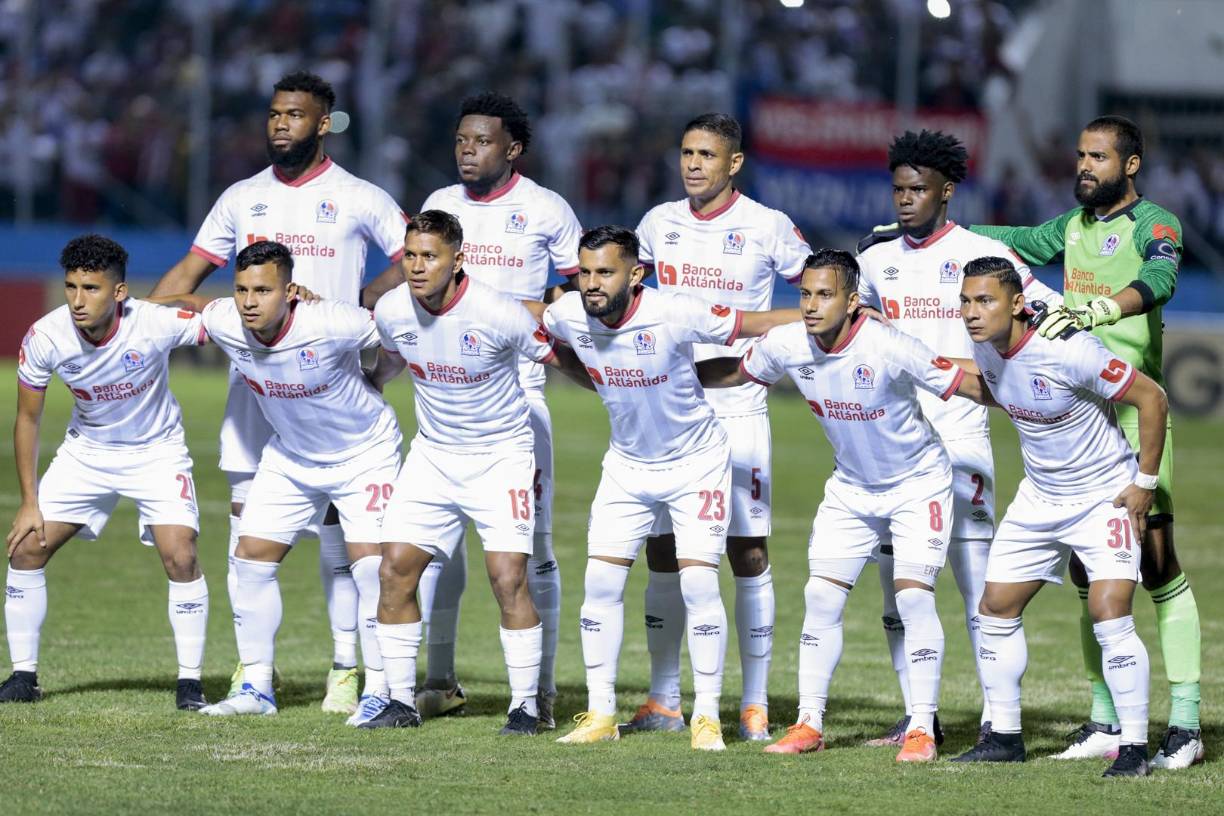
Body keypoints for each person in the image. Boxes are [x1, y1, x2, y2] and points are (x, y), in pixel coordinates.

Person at [150, 70, 409, 714]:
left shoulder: (358, 196)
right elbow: (189, 274)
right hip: (257, 396)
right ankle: (253, 676)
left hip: (333, 381)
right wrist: (143, 329)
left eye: (295, 115)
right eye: (273, 114)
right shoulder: (241, 197)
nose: (280, 124)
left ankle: (349, 668)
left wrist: (365, 300)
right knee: (250, 545)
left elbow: (414, 257)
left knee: (343, 544)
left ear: (323, 123)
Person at [969, 116, 1201, 769]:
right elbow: (1013, 238)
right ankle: (1104, 717)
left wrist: (1107, 308)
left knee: (1157, 565)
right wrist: (935, 234)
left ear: (1130, 165)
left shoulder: (1155, 222)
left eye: (1098, 156)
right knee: (1085, 572)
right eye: (1080, 155)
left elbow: (1163, 277)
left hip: (1134, 413)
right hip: (1078, 415)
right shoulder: (1070, 228)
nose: (1084, 166)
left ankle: (1185, 723)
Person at [698, 249, 977, 762]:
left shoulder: (888, 345)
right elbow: (737, 372)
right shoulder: (786, 344)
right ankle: (809, 723)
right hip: (851, 489)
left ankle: (921, 728)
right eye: (804, 293)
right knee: (820, 597)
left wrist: (1042, 401)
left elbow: (965, 383)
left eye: (824, 294)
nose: (809, 304)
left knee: (912, 598)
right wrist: (670, 373)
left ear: (852, 301)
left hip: (918, 484)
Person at [545, 226, 798, 751]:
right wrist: (580, 369)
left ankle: (705, 717)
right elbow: (539, 317)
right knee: (599, 584)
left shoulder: (676, 311)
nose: (591, 284)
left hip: (697, 464)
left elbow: (757, 322)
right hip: (627, 466)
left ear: (636, 275)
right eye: (585, 272)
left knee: (699, 585)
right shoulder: (570, 313)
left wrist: (833, 316)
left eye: (605, 272)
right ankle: (600, 714)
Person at [856, 129, 1062, 746]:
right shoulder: (875, 259)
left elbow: (1043, 310)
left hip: (961, 439)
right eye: (897, 189)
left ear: (946, 190)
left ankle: (1001, 723)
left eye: (917, 189)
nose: (905, 199)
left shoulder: (982, 252)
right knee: (899, 591)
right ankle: (921, 716)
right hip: (891, 447)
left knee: (978, 589)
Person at [359, 211, 591, 735]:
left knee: (508, 578)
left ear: (458, 259)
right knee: (394, 569)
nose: (417, 267)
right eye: (410, 256)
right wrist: (368, 382)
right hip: (434, 455)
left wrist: (617, 386)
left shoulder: (498, 312)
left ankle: (527, 706)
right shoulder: (393, 308)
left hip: (500, 457)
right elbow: (392, 362)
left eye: (430, 257)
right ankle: (399, 702)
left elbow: (558, 358)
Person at [161, 241, 401, 722]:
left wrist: (376, 378)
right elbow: (176, 307)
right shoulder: (227, 320)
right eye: (243, 289)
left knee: (372, 568)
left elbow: (397, 337)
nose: (250, 301)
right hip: (291, 456)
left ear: (290, 291)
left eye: (264, 290)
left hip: (364, 454)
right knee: (249, 560)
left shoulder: (331, 321)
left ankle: (379, 691)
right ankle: (257, 687)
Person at [948, 256, 1167, 778]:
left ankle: (1133, 748)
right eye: (965, 301)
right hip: (1040, 497)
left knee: (1109, 609)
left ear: (1017, 303)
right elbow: (1007, 390)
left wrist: (1144, 483)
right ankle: (1004, 737)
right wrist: (931, 373)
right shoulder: (984, 344)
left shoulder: (1069, 349)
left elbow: (1152, 397)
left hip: (1102, 496)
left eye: (985, 301)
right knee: (995, 606)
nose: (972, 313)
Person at [629, 113, 811, 740]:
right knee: (663, 549)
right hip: (669, 408)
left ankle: (754, 703)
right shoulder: (657, 223)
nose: (694, 164)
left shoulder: (766, 227)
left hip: (737, 409)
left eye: (707, 154)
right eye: (686, 153)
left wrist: (763, 354)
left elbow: (821, 294)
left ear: (734, 163)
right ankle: (662, 699)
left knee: (747, 550)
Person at [412, 93, 584, 727]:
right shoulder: (440, 206)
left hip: (519, 395)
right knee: (438, 546)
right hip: (446, 396)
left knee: (530, 549)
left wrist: (544, 313)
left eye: (481, 141)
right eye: (461, 139)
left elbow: (580, 290)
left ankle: (538, 688)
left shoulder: (545, 209)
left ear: (512, 149)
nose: (466, 150)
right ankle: (439, 678)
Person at [4, 235, 209, 710]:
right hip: (87, 454)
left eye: (91, 288)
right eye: (71, 286)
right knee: (25, 550)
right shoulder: (45, 336)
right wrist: (30, 503)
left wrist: (290, 301)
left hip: (157, 452)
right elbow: (28, 419)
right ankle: (22, 676)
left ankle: (190, 684)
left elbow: (212, 314)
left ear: (119, 293)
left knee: (180, 555)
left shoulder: (153, 323)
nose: (77, 300)